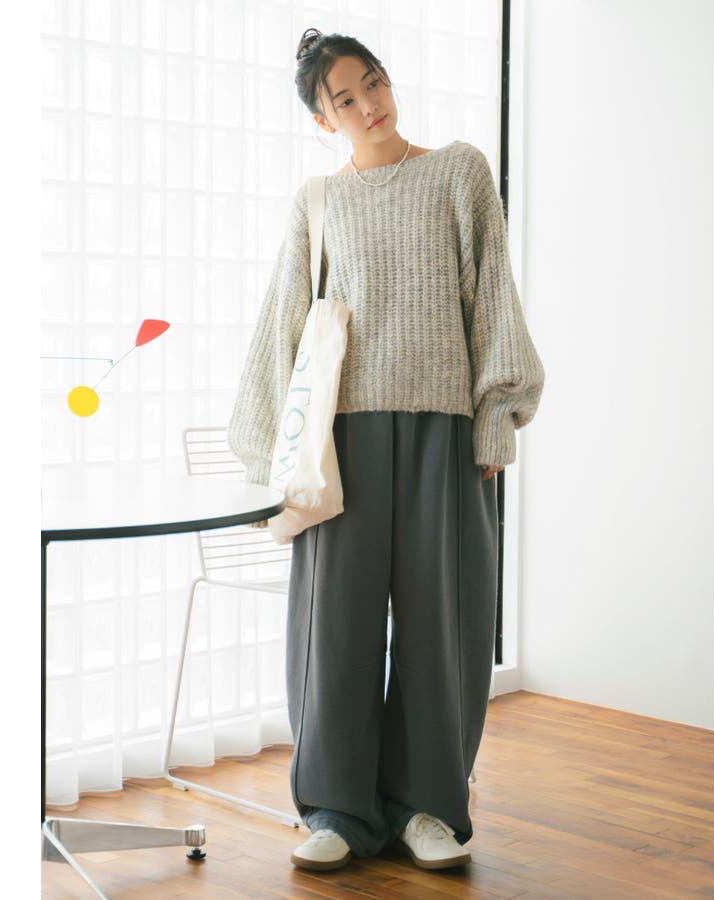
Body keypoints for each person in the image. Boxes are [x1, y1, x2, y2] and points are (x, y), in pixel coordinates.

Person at [227, 28, 545, 872]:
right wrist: (268, 458)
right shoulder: (318, 202)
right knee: (335, 625)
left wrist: (496, 415)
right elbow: (285, 320)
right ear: (322, 120)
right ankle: (337, 808)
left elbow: (492, 298)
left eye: (374, 82)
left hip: (446, 432)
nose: (370, 104)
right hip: (343, 441)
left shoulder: (460, 173)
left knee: (445, 622)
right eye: (346, 98)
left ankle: (429, 805)